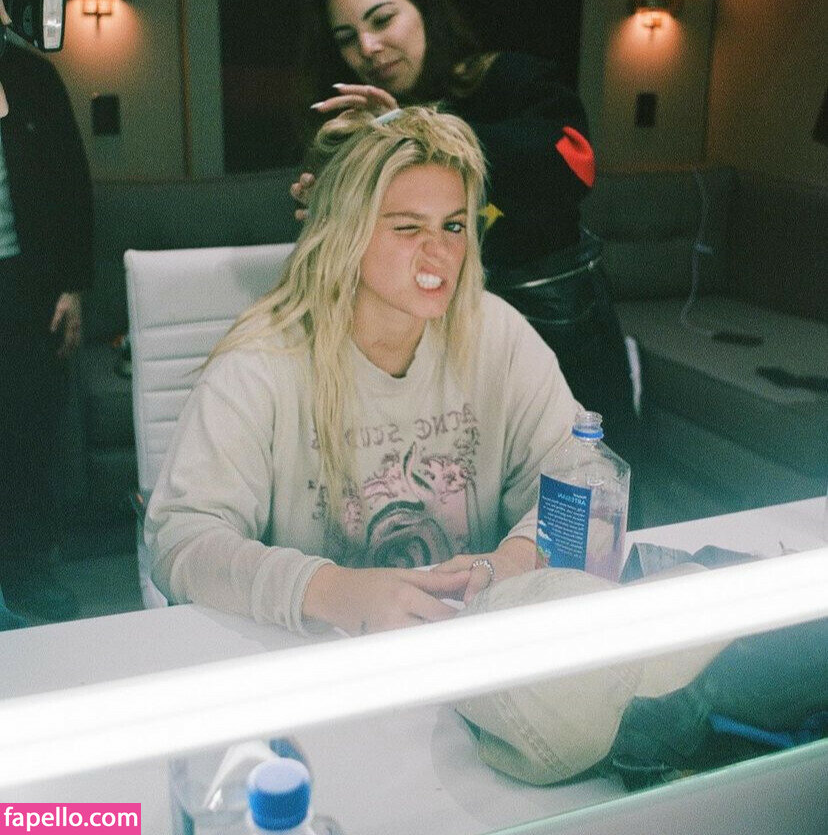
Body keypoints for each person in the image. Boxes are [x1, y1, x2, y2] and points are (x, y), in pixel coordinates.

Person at [145, 107, 581, 635]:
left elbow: (582, 474)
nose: (440, 252)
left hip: (466, 643)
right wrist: (330, 590)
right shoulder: (261, 364)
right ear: (345, 232)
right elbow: (182, 539)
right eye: (408, 228)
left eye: (453, 226)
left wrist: (518, 556)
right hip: (318, 654)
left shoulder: (498, 334)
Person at [295, 0, 642, 520]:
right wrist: (330, 216)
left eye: (382, 20)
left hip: (554, 318)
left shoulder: (505, 79)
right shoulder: (361, 125)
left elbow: (572, 164)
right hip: (439, 338)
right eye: (347, 38)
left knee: (590, 503)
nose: (368, 48)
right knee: (464, 506)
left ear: (424, 8)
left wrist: (410, 127)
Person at [0, 0, 93, 623]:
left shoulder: (32, 78)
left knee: (28, 432)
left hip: (23, 284)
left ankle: (29, 573)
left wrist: (73, 286)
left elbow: (71, 190)